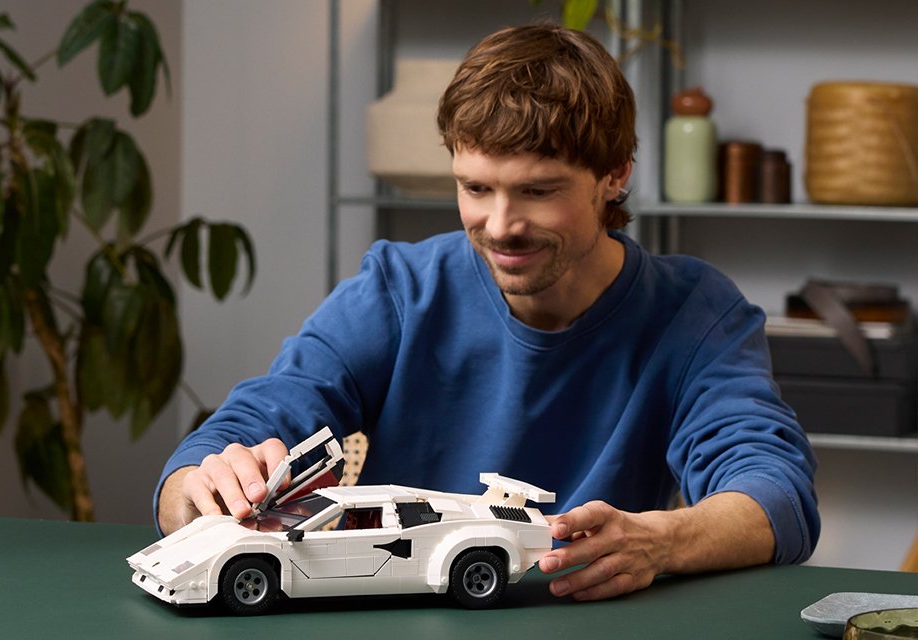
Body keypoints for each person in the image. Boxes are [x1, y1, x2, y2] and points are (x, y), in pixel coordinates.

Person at [156, 23, 819, 602]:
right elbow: (240, 429)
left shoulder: (696, 313)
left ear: (615, 175)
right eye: (475, 188)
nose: (501, 226)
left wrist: (660, 539)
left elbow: (776, 496)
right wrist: (202, 485)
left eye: (538, 191)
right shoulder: (399, 289)